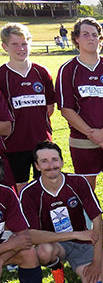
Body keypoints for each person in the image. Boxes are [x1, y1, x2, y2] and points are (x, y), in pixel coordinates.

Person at [56, 17, 103, 218]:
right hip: (82, 140)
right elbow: (66, 109)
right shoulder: (68, 69)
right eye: (85, 34)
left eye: (95, 35)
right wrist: (93, 135)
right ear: (76, 39)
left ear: (101, 39)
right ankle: (89, 231)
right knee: (87, 187)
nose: (91, 38)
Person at [20, 141, 103, 283]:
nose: (51, 165)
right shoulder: (29, 193)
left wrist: (97, 262)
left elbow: (97, 219)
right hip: (53, 243)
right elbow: (30, 236)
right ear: (37, 166)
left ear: (62, 161)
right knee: (43, 251)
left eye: (54, 159)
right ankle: (57, 268)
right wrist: (74, 234)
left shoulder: (78, 182)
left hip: (81, 244)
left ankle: (82, 264)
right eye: (44, 161)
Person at [0, 23, 56, 193]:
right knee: (20, 189)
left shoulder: (42, 72)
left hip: (42, 143)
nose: (21, 48)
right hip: (14, 145)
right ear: (5, 46)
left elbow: (49, 108)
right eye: (15, 44)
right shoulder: (2, 76)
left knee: (46, 186)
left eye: (24, 43)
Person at [0, 173, 55, 283]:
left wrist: (2, 258)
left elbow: (23, 237)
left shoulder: (5, 193)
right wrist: (5, 249)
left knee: (28, 252)